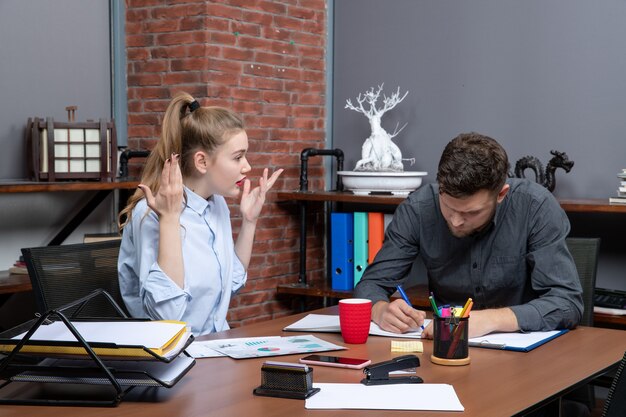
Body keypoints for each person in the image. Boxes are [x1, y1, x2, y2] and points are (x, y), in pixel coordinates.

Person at [354, 132, 583, 339]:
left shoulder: (535, 207)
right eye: (448, 207)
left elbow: (566, 303)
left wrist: (489, 321)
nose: (455, 221)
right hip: (446, 349)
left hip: (527, 356)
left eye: (471, 212)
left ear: (501, 194)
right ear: (440, 186)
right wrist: (380, 309)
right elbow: (371, 284)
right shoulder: (418, 209)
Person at [117, 92, 283, 336]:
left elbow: (230, 285)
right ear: (202, 162)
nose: (247, 167)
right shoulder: (151, 213)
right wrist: (170, 220)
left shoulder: (216, 205)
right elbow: (167, 318)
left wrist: (249, 221)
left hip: (214, 348)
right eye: (238, 157)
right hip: (172, 359)